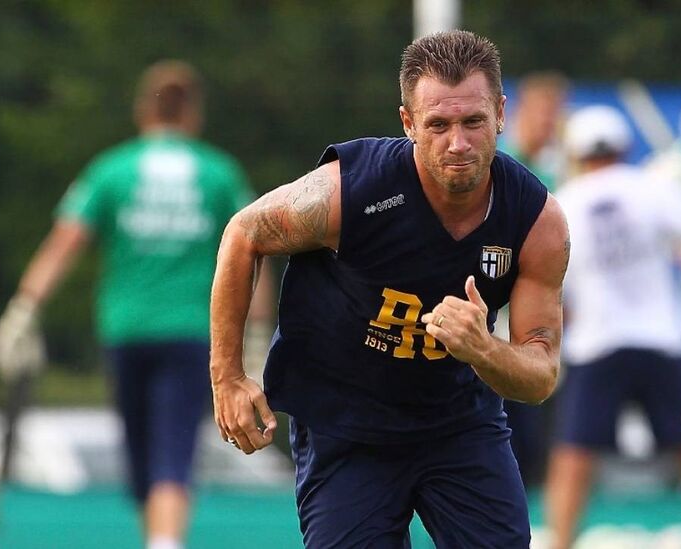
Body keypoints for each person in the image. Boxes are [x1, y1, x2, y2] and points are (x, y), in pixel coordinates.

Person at [208, 30, 569, 548]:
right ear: (408, 123)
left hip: (458, 424)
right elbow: (244, 234)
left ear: (500, 114)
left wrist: (483, 349)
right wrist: (228, 376)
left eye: (473, 121)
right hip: (346, 423)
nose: (458, 143)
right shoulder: (352, 191)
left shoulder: (537, 220)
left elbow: (540, 377)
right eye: (438, 125)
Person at [0, 61, 270, 549]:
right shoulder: (218, 172)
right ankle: (164, 541)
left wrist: (23, 309)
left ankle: (160, 540)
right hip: (191, 331)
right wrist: (258, 332)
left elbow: (64, 243)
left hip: (126, 329)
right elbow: (254, 251)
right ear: (193, 113)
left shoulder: (112, 170)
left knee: (143, 456)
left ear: (143, 110)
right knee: (173, 451)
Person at [544, 105, 681, 549]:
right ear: (623, 148)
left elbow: (555, 286)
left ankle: (561, 541)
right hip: (658, 338)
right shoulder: (652, 188)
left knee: (575, 450)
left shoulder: (564, 202)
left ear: (576, 153)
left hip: (597, 342)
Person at [497, 70, 569, 487]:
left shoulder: (557, 169)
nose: (547, 123)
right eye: (542, 113)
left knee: (534, 420)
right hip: (499, 304)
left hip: (538, 302)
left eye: (553, 114)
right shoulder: (500, 161)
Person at [499, 71, 569, 192]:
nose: (549, 121)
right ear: (521, 110)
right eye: (544, 112)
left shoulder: (553, 165)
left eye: (555, 112)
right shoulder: (497, 158)